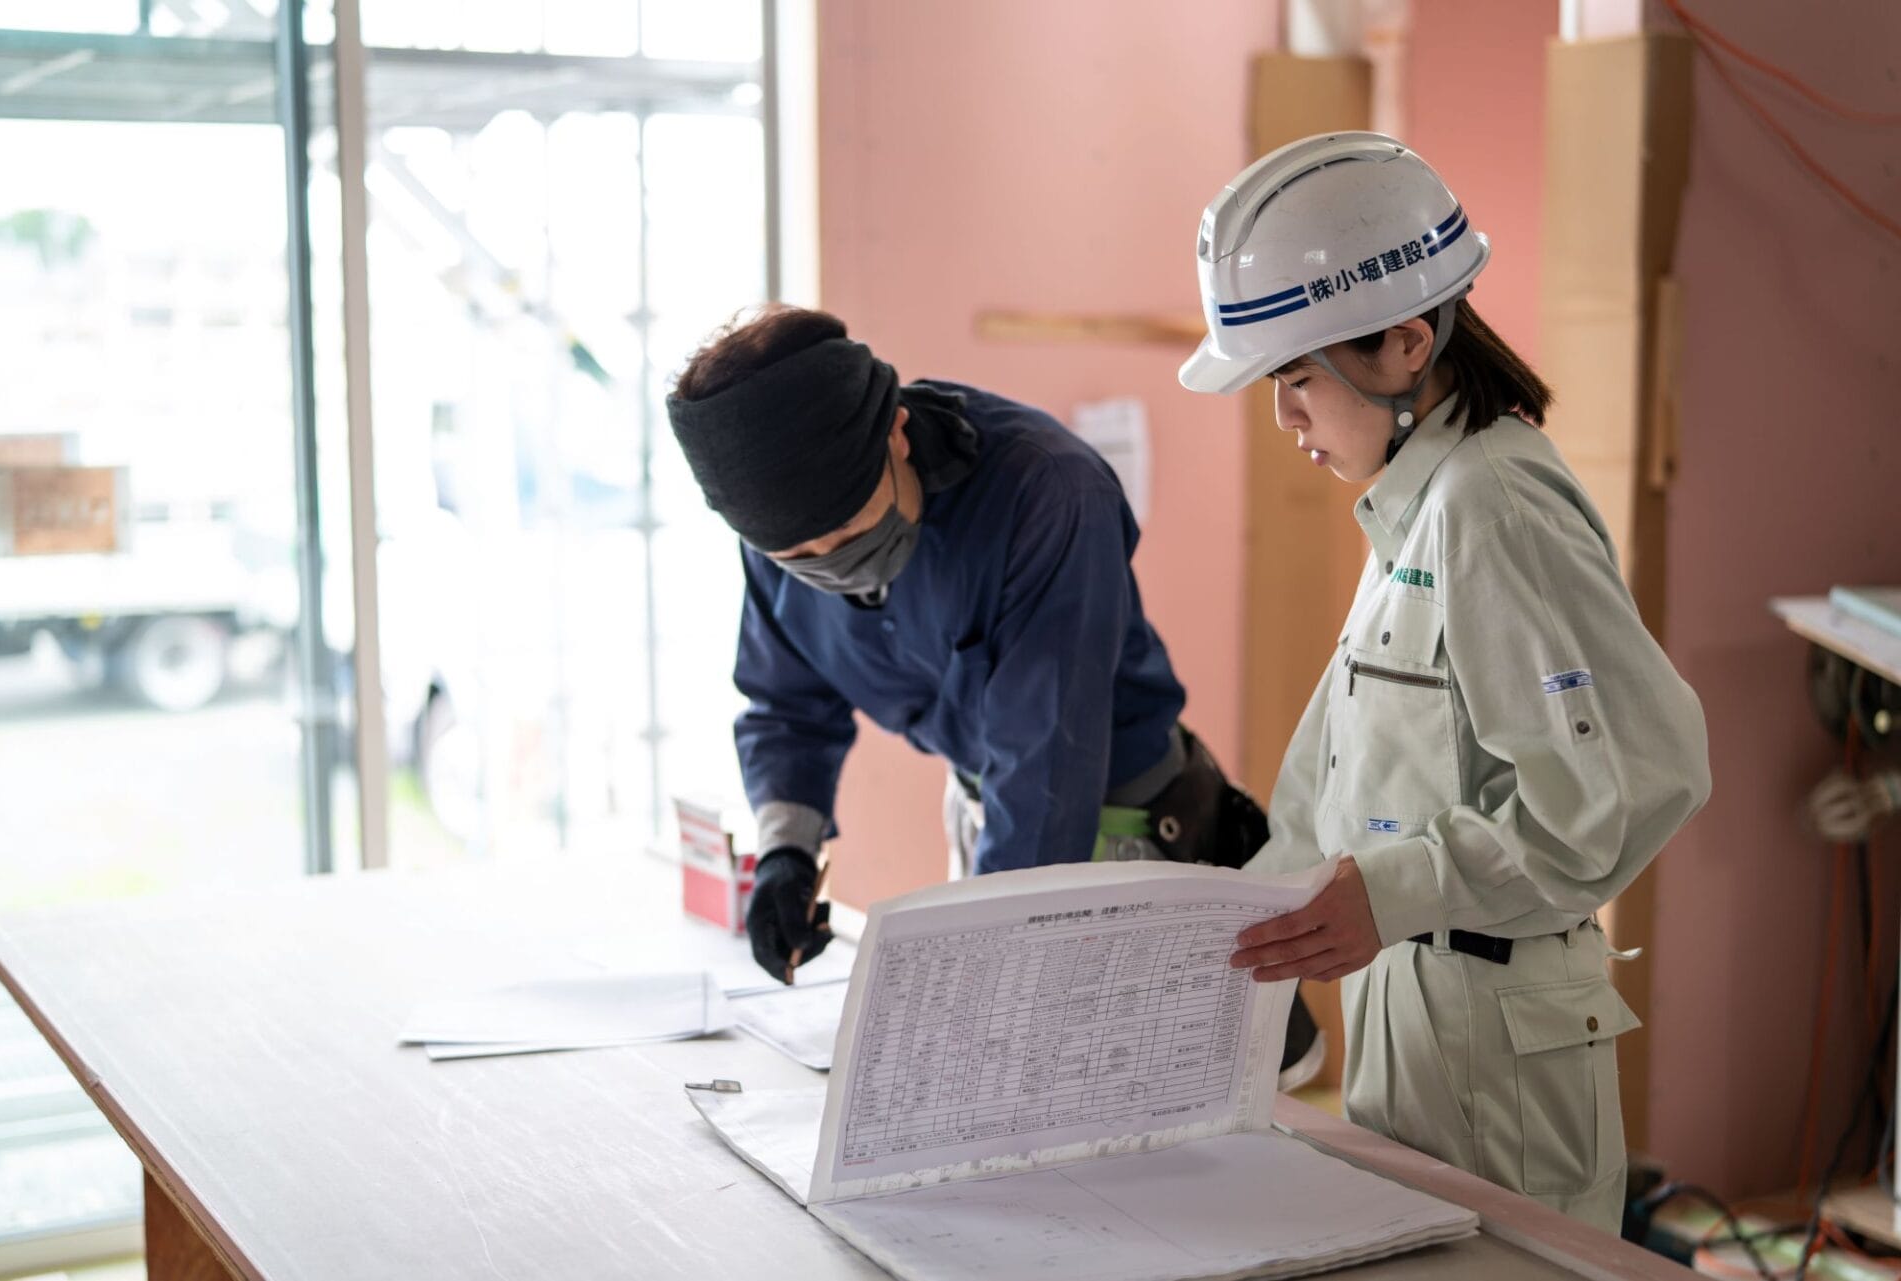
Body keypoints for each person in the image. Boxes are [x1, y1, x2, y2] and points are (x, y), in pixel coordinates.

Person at [1180, 132, 1711, 1231]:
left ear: (1407, 341)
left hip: (1496, 1029)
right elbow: (1344, 773)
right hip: (1417, 1000)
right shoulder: (1412, 516)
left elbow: (1630, 786)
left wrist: (1394, 891)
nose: (1286, 422)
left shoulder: (1491, 506)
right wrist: (1229, 936)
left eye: (1296, 382)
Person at [666, 304, 1323, 1086]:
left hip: (1123, 830)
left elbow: (1043, 769)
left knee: (1154, 1107)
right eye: (797, 556)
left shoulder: (1045, 491)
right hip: (989, 817)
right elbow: (785, 703)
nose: (831, 567)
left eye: (845, 536)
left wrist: (986, 982)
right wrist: (786, 849)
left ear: (898, 434)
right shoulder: (773, 541)